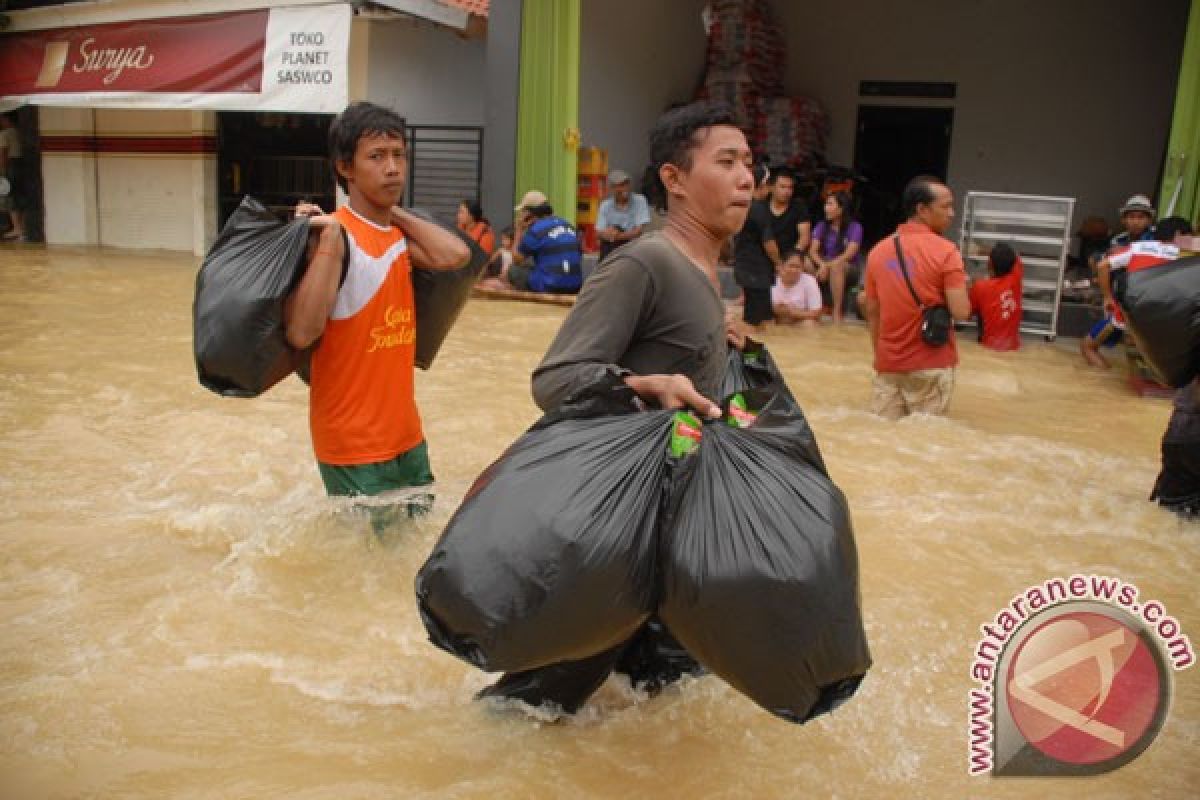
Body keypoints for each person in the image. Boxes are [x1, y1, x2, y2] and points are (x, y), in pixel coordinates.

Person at [478, 100, 753, 715]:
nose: (746, 179)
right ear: (674, 180)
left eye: (750, 164)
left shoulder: (710, 274)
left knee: (662, 700)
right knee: (535, 705)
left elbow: (689, 384)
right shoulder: (644, 262)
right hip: (609, 534)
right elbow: (555, 377)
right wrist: (645, 383)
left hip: (667, 525)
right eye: (727, 161)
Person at [284, 101, 469, 508]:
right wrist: (329, 242)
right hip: (353, 446)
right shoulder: (335, 237)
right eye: (377, 157)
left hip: (407, 438)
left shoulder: (398, 239)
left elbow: (455, 256)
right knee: (362, 567)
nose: (393, 168)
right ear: (345, 168)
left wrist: (392, 210)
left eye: (399, 155)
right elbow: (301, 331)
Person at [862, 175, 970, 419]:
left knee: (884, 438)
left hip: (889, 364)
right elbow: (961, 312)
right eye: (945, 206)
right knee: (925, 443)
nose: (952, 213)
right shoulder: (946, 252)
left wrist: (881, 356)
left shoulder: (878, 252)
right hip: (931, 364)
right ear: (922, 209)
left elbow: (872, 310)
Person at [1082, 218, 1186, 369]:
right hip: (1167, 321)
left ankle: (1103, 374)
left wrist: (1107, 297)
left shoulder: (1139, 247)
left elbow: (1102, 265)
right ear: (1179, 235)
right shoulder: (1188, 255)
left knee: (1088, 347)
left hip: (1128, 315)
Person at [732, 163, 781, 330]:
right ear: (763, 185)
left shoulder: (742, 205)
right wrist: (779, 263)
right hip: (756, 271)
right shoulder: (759, 209)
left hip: (745, 267)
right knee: (755, 323)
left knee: (764, 320)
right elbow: (769, 243)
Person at [509, 190, 583, 293]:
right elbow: (578, 254)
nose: (521, 215)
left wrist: (519, 230)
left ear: (529, 214)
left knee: (513, 270)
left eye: (523, 212)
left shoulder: (536, 230)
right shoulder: (568, 225)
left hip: (550, 286)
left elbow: (516, 259)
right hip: (575, 286)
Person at [809, 191, 864, 323]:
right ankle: (812, 305)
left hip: (847, 267)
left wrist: (827, 266)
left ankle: (836, 310)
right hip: (825, 264)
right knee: (805, 262)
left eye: (830, 204)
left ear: (841, 209)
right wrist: (822, 265)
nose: (825, 208)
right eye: (826, 204)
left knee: (837, 266)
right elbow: (813, 251)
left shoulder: (855, 227)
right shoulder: (821, 226)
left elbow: (848, 254)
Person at [968, 242, 1023, 351]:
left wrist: (969, 287)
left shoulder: (980, 286)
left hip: (988, 347)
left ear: (989, 263)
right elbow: (1016, 258)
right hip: (1013, 347)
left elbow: (967, 313)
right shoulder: (1016, 279)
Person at [596, 168, 651, 260]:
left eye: (626, 184)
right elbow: (598, 233)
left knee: (618, 232)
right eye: (620, 185)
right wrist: (610, 233)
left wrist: (616, 236)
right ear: (612, 188)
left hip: (632, 244)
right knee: (610, 239)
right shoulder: (605, 205)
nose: (624, 189)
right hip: (610, 245)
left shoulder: (639, 200)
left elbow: (638, 232)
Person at [765, 167, 811, 260]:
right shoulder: (761, 207)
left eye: (790, 188)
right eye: (782, 187)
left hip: (792, 256)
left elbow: (804, 237)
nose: (787, 192)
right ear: (771, 187)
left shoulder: (799, 207)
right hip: (764, 256)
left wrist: (792, 257)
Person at [771, 249, 823, 326]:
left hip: (799, 321)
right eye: (791, 266)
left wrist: (793, 312)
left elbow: (816, 313)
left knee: (810, 324)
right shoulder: (771, 281)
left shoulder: (810, 281)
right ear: (781, 266)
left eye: (798, 267)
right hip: (777, 320)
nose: (794, 270)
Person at [0, 112, 28, 242]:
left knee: (10, 197)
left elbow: (3, 153)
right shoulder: (18, 132)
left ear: (6, 119)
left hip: (10, 165)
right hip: (20, 164)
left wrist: (3, 170)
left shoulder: (4, 134)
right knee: (19, 195)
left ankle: (17, 228)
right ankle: (22, 229)